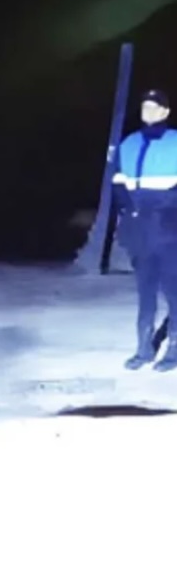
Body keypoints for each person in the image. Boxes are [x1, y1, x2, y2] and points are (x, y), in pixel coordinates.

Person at [114, 88, 177, 372]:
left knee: (173, 291)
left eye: (155, 107)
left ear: (166, 112)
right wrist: (129, 213)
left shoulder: (175, 142)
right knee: (145, 292)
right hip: (139, 232)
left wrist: (164, 209)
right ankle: (143, 349)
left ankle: (174, 351)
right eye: (145, 107)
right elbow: (118, 184)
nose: (149, 112)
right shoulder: (129, 143)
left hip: (169, 230)